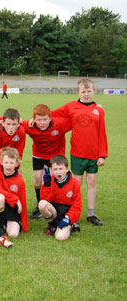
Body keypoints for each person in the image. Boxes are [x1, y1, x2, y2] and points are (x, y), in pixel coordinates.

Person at [51, 79, 107, 226]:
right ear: (78, 92)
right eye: (83, 91)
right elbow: (53, 114)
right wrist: (36, 118)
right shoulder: (71, 106)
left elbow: (102, 133)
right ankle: (72, 215)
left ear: (94, 91)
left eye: (89, 91)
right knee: (76, 184)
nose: (86, 94)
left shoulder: (99, 110)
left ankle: (91, 213)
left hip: (93, 154)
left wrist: (102, 155)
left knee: (92, 182)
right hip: (77, 153)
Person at [21, 104, 72, 219]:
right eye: (39, 120)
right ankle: (40, 206)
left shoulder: (60, 124)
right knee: (38, 178)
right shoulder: (30, 126)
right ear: (34, 119)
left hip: (55, 157)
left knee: (51, 180)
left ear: (50, 118)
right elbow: (13, 122)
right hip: (38, 155)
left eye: (45, 119)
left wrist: (94, 107)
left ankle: (54, 204)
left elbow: (77, 118)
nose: (42, 123)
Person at [38, 155, 82, 240]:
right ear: (51, 170)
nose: (58, 172)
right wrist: (47, 186)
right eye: (55, 169)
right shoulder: (49, 180)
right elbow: (45, 199)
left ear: (67, 168)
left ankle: (72, 225)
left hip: (67, 213)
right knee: (42, 204)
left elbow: (77, 205)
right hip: (55, 209)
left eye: (61, 169)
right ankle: (52, 225)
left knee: (59, 237)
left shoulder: (74, 183)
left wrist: (68, 218)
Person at [0, 108, 25, 204]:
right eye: (8, 124)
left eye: (14, 124)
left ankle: (16, 202)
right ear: (3, 123)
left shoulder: (21, 132)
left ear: (18, 124)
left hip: (12, 160)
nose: (11, 127)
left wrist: (17, 166)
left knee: (18, 177)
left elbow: (19, 151)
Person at [0, 147, 28, 238]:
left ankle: (7, 224)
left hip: (12, 209)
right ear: (1, 162)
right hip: (0, 204)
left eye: (11, 163)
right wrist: (15, 199)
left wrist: (25, 226)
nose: (8, 165)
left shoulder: (20, 181)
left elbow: (23, 201)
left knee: (13, 234)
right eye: (6, 162)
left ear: (16, 164)